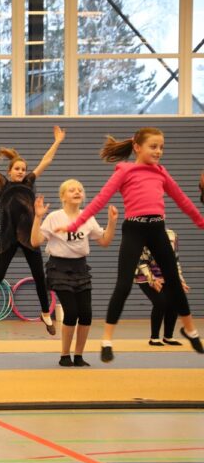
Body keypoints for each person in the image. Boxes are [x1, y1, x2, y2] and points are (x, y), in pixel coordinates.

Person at [59, 127, 204, 361]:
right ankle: (107, 339)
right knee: (124, 284)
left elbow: (182, 199)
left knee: (174, 282)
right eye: (153, 147)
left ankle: (190, 330)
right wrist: (75, 224)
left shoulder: (161, 172)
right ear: (137, 147)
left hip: (157, 229)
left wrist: (200, 221)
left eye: (161, 147)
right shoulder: (125, 171)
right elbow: (99, 200)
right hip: (134, 230)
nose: (158, 151)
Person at [0, 126, 66, 334]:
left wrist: (57, 141)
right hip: (8, 237)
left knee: (39, 276)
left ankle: (46, 314)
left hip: (29, 237)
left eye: (23, 169)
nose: (20, 171)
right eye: (17, 168)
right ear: (9, 171)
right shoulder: (3, 184)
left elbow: (46, 161)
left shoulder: (29, 183)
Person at [31, 180, 118, 367]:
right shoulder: (54, 217)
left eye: (80, 190)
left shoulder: (88, 217)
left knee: (86, 314)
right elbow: (35, 241)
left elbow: (104, 241)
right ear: (63, 196)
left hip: (80, 268)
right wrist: (38, 217)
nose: (77, 192)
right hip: (59, 268)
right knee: (71, 312)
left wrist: (112, 223)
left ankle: (78, 355)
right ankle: (64, 355)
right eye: (72, 190)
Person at [134, 229, 188, 347]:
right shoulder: (144, 234)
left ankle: (168, 337)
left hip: (166, 276)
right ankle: (154, 338)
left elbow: (175, 260)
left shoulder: (172, 235)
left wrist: (180, 280)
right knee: (160, 302)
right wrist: (152, 279)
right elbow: (141, 261)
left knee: (174, 301)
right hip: (145, 275)